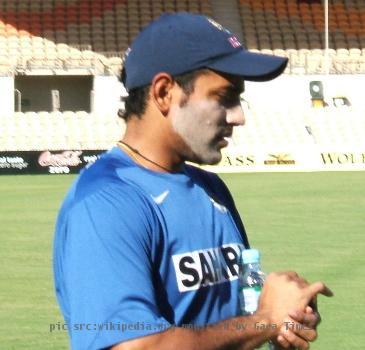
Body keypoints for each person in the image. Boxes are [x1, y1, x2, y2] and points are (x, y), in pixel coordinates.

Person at [53, 13, 332, 350]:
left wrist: (286, 317)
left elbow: (239, 305)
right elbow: (136, 346)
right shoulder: (106, 203)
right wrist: (265, 321)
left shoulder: (211, 188)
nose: (238, 117)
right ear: (165, 92)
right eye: (224, 97)